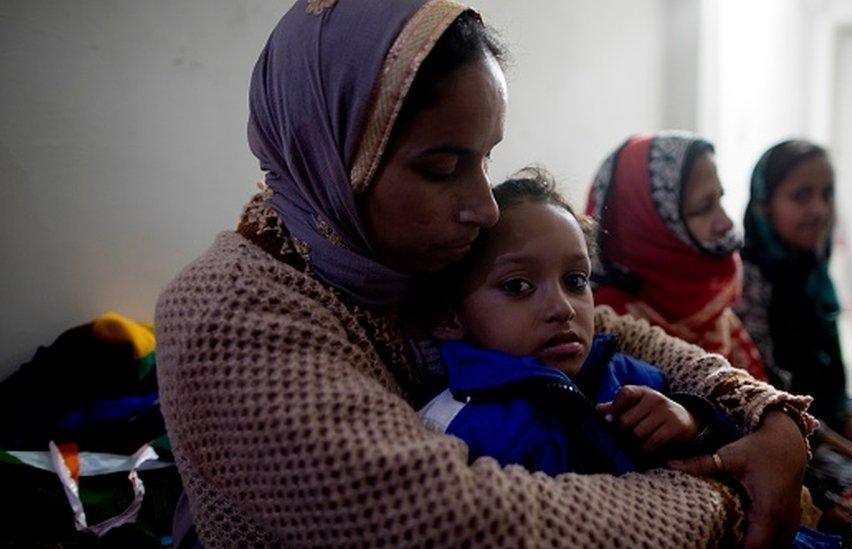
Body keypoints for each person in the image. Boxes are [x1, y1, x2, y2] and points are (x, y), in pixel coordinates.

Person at [155, 2, 815, 546]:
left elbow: (621, 334)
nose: (484, 204)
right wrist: (726, 487)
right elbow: (467, 522)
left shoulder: (396, 262)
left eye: (485, 158)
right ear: (330, 154)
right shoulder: (231, 316)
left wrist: (770, 416)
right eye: (442, 169)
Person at [420, 170, 738, 476]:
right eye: (517, 286)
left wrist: (692, 426)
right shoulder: (453, 426)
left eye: (574, 280)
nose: (563, 308)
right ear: (448, 316)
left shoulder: (631, 380)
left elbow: (737, 455)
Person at [735, 139, 852, 540]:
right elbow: (777, 405)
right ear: (765, 204)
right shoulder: (749, 283)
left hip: (840, 433)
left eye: (827, 193)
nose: (820, 209)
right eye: (801, 196)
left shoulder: (812, 270)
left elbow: (835, 392)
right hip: (800, 447)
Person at [585, 132, 767, 381]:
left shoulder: (712, 314)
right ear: (645, 228)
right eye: (704, 208)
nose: (726, 222)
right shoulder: (610, 331)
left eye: (720, 199)